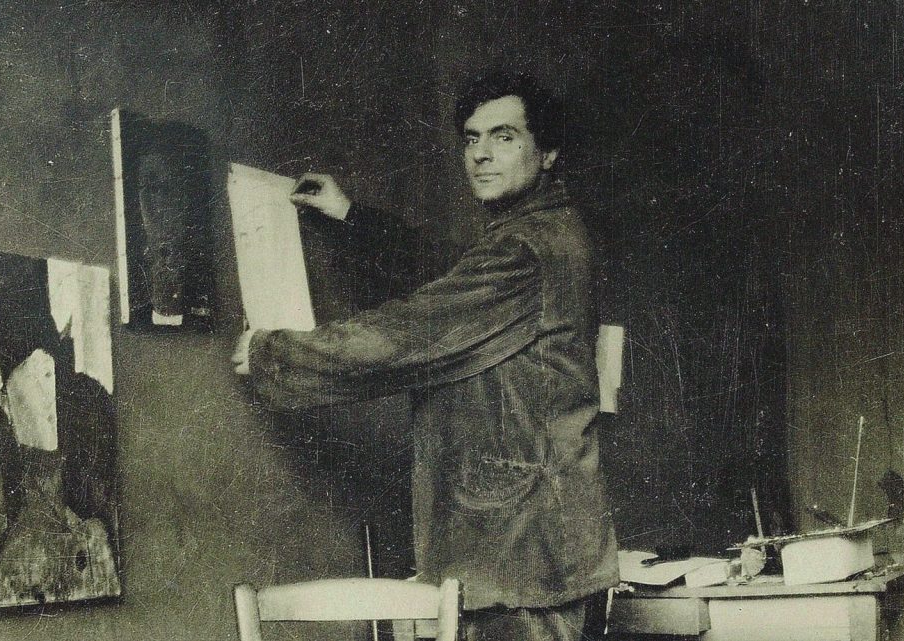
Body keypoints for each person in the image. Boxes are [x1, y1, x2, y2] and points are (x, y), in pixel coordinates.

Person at [231, 71, 619, 641]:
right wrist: (350, 216)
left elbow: (410, 334)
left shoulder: (528, 249)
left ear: (548, 152)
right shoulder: (535, 233)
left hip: (526, 553)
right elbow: (450, 273)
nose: (481, 154)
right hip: (527, 550)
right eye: (471, 139)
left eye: (504, 137)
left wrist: (273, 353)